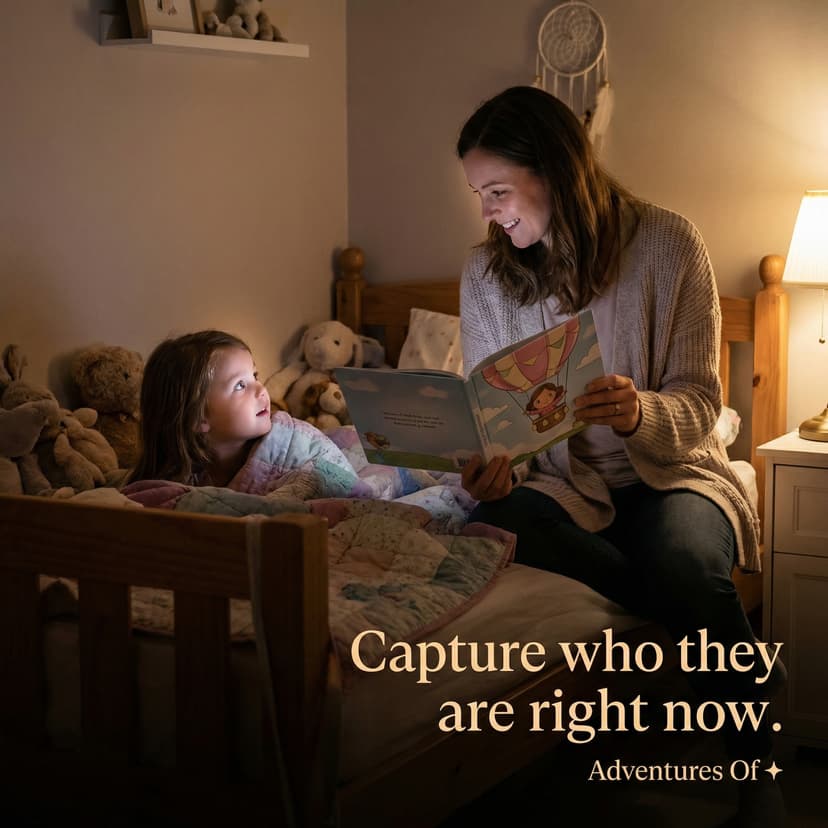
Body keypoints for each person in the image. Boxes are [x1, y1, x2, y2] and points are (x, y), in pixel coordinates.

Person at [455, 86, 785, 827]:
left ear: (557, 172)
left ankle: (755, 762)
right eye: (479, 194)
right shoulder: (486, 274)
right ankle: (720, 650)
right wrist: (490, 461)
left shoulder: (668, 245)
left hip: (671, 475)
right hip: (562, 486)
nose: (488, 211)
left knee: (684, 558)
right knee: (493, 517)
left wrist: (642, 412)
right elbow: (489, 414)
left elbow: (702, 403)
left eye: (499, 190)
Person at [128, 330, 274, 486]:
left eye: (255, 375)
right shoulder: (167, 488)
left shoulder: (288, 440)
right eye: (240, 385)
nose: (261, 390)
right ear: (197, 418)